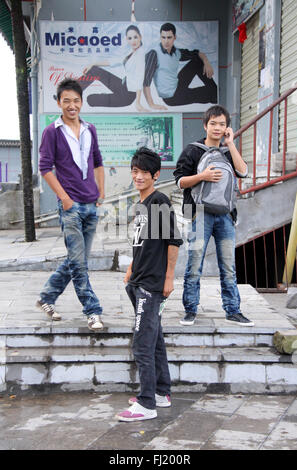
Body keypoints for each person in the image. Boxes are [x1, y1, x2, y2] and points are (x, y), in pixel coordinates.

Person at [116, 147, 183, 422]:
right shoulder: (143, 205)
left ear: (155, 175)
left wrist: (168, 278)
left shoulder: (159, 202)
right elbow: (140, 243)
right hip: (138, 280)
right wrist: (131, 269)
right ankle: (160, 392)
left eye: (144, 172)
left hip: (151, 285)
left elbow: (173, 241)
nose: (138, 176)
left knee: (142, 343)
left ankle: (145, 404)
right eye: (135, 171)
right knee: (154, 339)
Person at [174, 105, 254, 327]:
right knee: (194, 264)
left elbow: (243, 171)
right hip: (199, 213)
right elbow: (179, 181)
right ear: (205, 125)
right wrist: (203, 176)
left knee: (228, 266)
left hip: (225, 215)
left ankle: (233, 310)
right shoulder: (193, 150)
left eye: (222, 124)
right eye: (213, 123)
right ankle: (190, 310)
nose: (217, 128)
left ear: (227, 127)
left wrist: (230, 143)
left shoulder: (228, 150)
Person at [37, 78, 105, 332]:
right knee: (79, 262)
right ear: (58, 103)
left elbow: (97, 161)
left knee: (77, 259)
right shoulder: (51, 132)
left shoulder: (90, 129)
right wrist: (64, 199)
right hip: (70, 207)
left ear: (81, 103)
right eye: (66, 101)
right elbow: (45, 168)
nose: (71, 105)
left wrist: (101, 191)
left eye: (76, 100)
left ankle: (46, 297)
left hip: (91, 204)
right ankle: (92, 310)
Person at [143, 22, 217, 110]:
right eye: (163, 37)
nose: (166, 41)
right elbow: (146, 81)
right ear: (160, 38)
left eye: (169, 37)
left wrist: (206, 62)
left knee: (197, 60)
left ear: (174, 37)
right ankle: (214, 92)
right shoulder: (153, 54)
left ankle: (214, 91)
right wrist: (151, 104)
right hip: (171, 98)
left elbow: (197, 53)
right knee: (210, 93)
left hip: (178, 86)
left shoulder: (176, 52)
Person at [80, 25, 148, 112]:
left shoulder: (140, 55)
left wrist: (138, 102)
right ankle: (69, 93)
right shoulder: (131, 52)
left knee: (91, 100)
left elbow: (139, 78)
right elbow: (113, 61)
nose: (133, 41)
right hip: (124, 87)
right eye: (130, 38)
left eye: (135, 37)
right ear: (127, 39)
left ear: (140, 37)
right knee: (94, 70)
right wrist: (93, 63)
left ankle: (73, 96)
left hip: (127, 96)